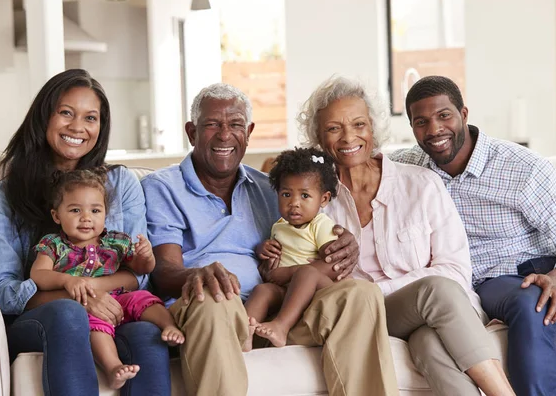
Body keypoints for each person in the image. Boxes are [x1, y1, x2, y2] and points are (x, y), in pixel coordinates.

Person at [142, 83, 400, 396]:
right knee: (213, 296)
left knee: (360, 293)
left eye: (235, 124)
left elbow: (304, 240)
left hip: (275, 316)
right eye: (212, 124)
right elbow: (164, 270)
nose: (225, 135)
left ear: (248, 132)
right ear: (192, 132)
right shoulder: (163, 187)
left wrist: (344, 247)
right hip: (212, 315)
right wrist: (197, 274)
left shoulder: (271, 188)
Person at [300, 76, 514, 396]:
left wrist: (378, 287)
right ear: (318, 136)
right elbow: (309, 280)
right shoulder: (312, 203)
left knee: (429, 342)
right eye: (333, 128)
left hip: (433, 311)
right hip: (372, 315)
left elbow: (455, 271)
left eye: (359, 124)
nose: (348, 137)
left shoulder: (421, 184)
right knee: (435, 290)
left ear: (373, 128)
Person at [0, 69, 171, 396]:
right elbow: (4, 292)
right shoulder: (9, 194)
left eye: (90, 117)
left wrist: (92, 291)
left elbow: (138, 276)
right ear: (44, 117)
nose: (77, 127)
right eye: (66, 113)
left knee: (144, 332)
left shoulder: (120, 184)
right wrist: (77, 297)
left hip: (111, 308)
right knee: (69, 312)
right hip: (41, 319)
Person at [391, 75, 556, 396]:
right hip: (450, 291)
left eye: (444, 116)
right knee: (428, 340)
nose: (434, 130)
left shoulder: (522, 168)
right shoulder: (405, 168)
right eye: (421, 122)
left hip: (510, 275)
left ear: (464, 114)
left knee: (534, 303)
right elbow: (348, 171)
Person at [30, 168, 184, 389]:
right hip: (87, 305)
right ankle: (113, 367)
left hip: (118, 297)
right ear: (57, 215)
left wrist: (146, 256)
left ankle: (169, 326)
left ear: (105, 214)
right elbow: (38, 274)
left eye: (95, 210)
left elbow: (141, 269)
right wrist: (66, 281)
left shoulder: (115, 241)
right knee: (94, 323)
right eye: (75, 210)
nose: (86, 218)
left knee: (143, 297)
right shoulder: (53, 245)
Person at [244, 147, 339, 349]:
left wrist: (288, 273)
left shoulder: (320, 224)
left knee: (306, 273)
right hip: (286, 290)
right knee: (262, 291)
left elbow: (334, 264)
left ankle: (281, 327)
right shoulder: (279, 226)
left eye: (305, 196)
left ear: (323, 199)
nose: (294, 203)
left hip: (318, 289)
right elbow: (278, 256)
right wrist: (264, 250)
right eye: (286, 194)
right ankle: (243, 333)